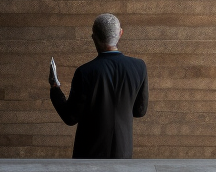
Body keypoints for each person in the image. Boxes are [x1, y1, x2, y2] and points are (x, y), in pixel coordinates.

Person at [49, 13, 148, 159]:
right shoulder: (139, 67)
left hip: (89, 153)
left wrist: (55, 88)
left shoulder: (85, 72)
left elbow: (70, 117)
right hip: (123, 152)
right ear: (120, 33)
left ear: (94, 37)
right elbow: (140, 111)